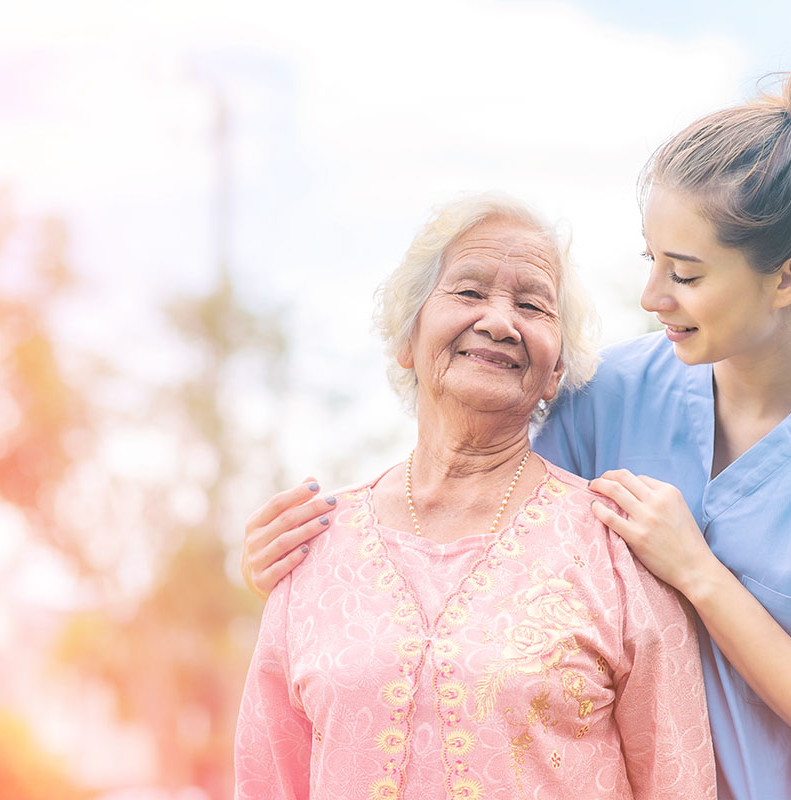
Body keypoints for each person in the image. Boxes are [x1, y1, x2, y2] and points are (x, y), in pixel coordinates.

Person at [243, 60, 791, 800]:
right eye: (652, 260)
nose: (651, 297)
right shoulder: (610, 394)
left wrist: (700, 574)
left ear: (789, 277)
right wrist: (323, 572)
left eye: (686, 273)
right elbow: (479, 505)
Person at [235, 194, 717, 800]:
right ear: (407, 338)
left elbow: (680, 783)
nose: (499, 321)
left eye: (531, 305)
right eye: (468, 292)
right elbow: (268, 780)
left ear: (555, 372)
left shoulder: (619, 552)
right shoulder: (311, 551)